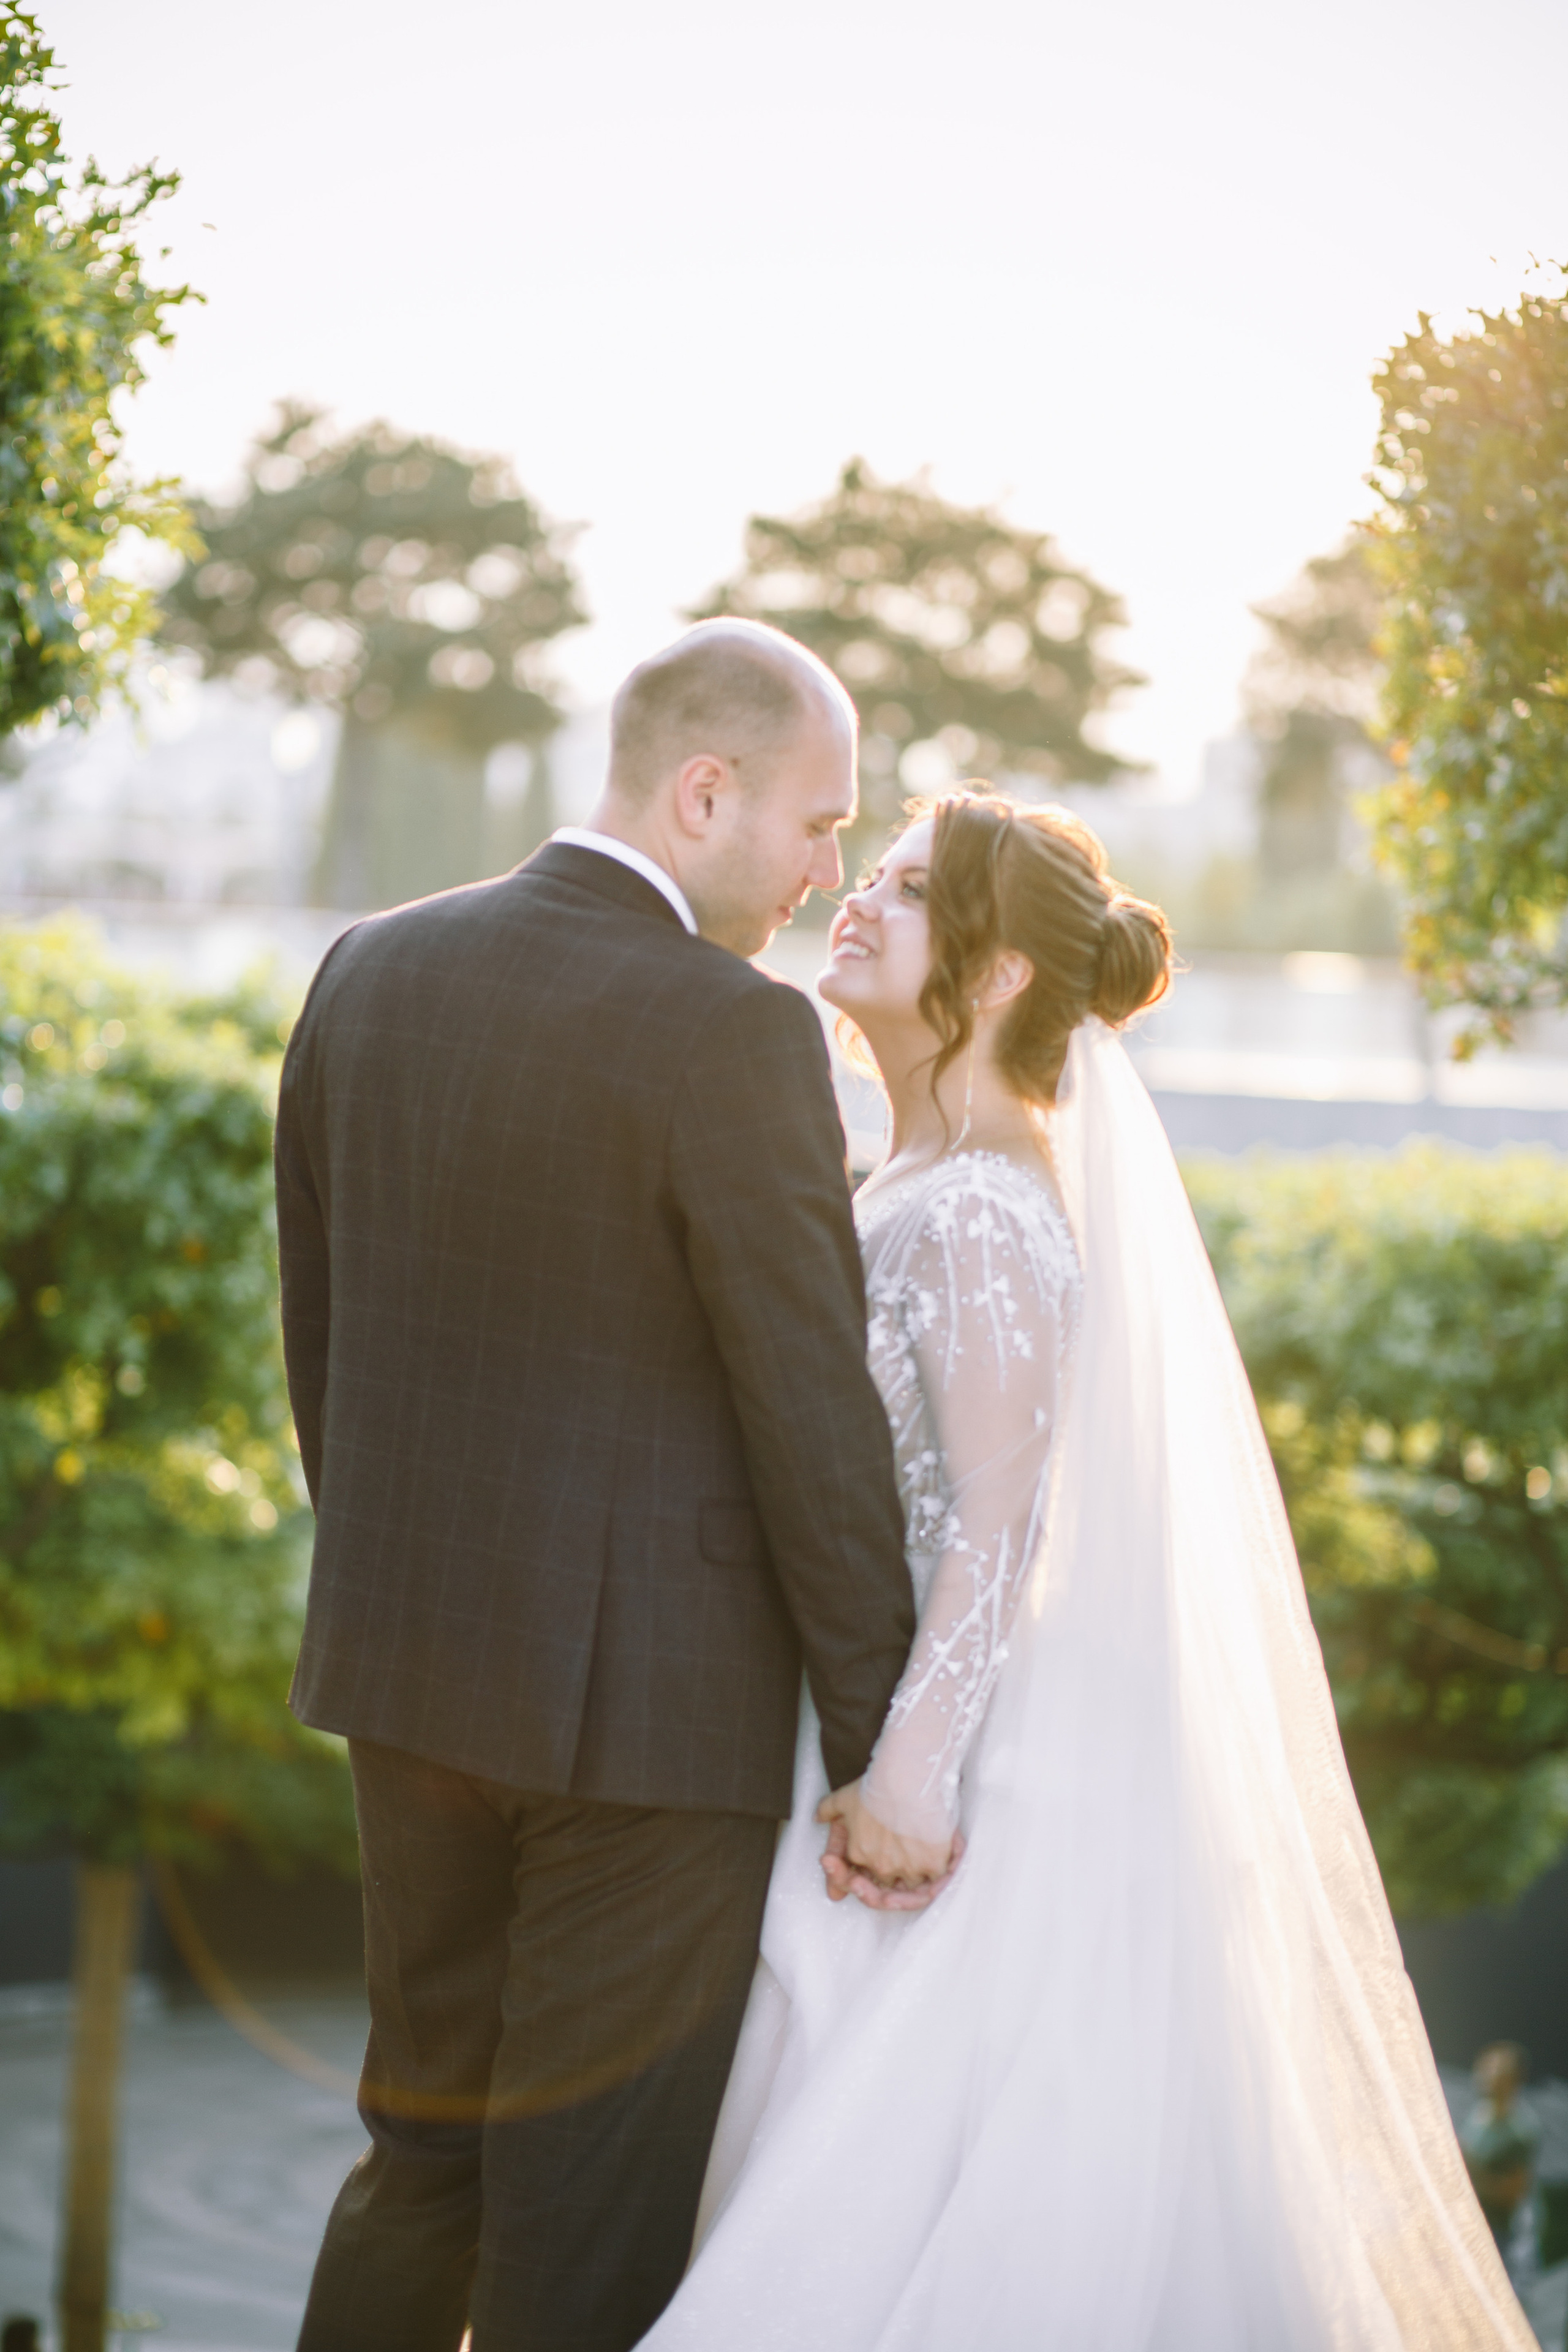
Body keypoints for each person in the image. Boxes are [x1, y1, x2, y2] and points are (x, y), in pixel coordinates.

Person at [643, 790, 1536, 2351]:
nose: (858, 896)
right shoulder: (908, 1185)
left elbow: (998, 1529)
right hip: (856, 1748)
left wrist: (909, 1779)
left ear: (990, 982)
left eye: (910, 890)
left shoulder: (981, 1211)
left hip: (951, 1794)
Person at [276, 620, 930, 2351]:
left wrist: (402, 1603)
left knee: (417, 2165)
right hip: (649, 1744)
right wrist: (881, 1745)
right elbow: (813, 1426)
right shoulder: (733, 1033)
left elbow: (320, 1348)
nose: (829, 866)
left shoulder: (368, 967)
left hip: (407, 1688)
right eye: (818, 821)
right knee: (583, 2242)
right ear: (703, 791)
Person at [1463, 2043, 1541, 2259]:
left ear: (1511, 2080)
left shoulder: (1520, 2132)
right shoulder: (1478, 2116)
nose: (1486, 2077)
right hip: (1469, 2226)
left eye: (1495, 2071)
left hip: (1497, 2236)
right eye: (1485, 2069)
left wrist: (1467, 2173)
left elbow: (1511, 2194)